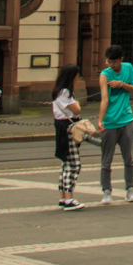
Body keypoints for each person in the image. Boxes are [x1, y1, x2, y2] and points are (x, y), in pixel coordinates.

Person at [95, 45, 133, 203]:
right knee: (106, 160)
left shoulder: (128, 68)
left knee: (129, 158)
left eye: (114, 62)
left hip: (127, 120)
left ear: (121, 59)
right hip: (110, 122)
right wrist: (100, 120)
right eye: (108, 61)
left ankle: (130, 189)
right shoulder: (104, 75)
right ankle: (106, 191)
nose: (111, 65)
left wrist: (121, 84)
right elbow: (105, 98)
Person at [51, 64, 85, 210]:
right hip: (69, 128)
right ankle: (69, 199)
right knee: (74, 164)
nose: (77, 78)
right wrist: (77, 103)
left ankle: (63, 197)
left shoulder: (58, 91)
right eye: (76, 75)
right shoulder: (66, 92)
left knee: (66, 163)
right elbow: (77, 109)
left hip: (61, 127)